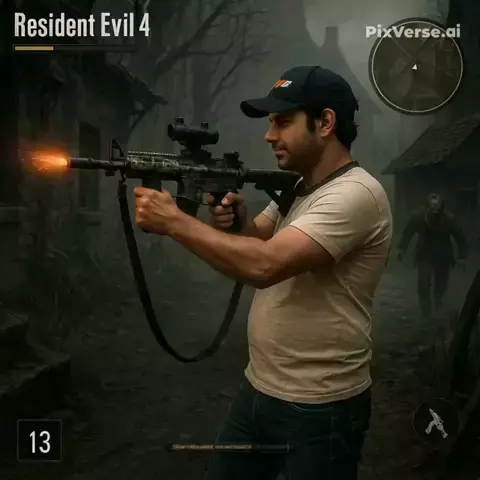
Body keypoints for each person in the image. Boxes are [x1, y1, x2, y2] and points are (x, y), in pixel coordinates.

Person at [133, 65, 392, 479]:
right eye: (270, 122)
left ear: (326, 123)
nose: (269, 135)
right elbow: (256, 241)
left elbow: (265, 265)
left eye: (283, 122)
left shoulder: (356, 194)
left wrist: (174, 222)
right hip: (259, 388)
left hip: (321, 408)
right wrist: (237, 222)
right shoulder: (298, 188)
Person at [397, 193, 466, 319]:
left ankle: (438, 301)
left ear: (441, 210)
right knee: (423, 283)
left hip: (443, 255)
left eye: (437, 210)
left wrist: (462, 257)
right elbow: (408, 233)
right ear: (427, 208)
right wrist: (402, 249)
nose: (434, 213)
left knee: (441, 284)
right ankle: (426, 313)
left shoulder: (449, 219)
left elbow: (460, 238)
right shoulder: (418, 217)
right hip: (425, 254)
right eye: (432, 209)